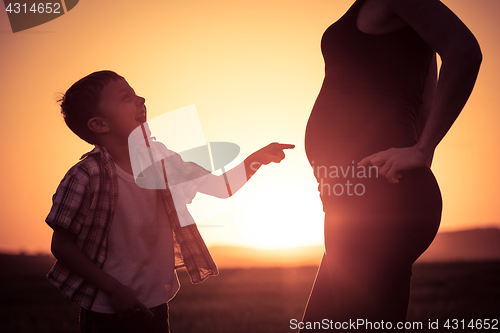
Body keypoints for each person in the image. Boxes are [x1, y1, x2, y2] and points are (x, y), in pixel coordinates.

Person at [46, 70, 294, 333]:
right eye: (125, 97)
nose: (140, 99)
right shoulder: (86, 175)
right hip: (108, 309)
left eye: (136, 93)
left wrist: (257, 158)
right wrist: (114, 290)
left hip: (155, 302)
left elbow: (221, 187)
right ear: (99, 125)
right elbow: (62, 246)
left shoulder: (161, 161)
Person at [301, 0, 481, 330]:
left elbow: (466, 52)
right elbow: (425, 100)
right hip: (358, 194)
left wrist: (422, 151)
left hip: (377, 197)